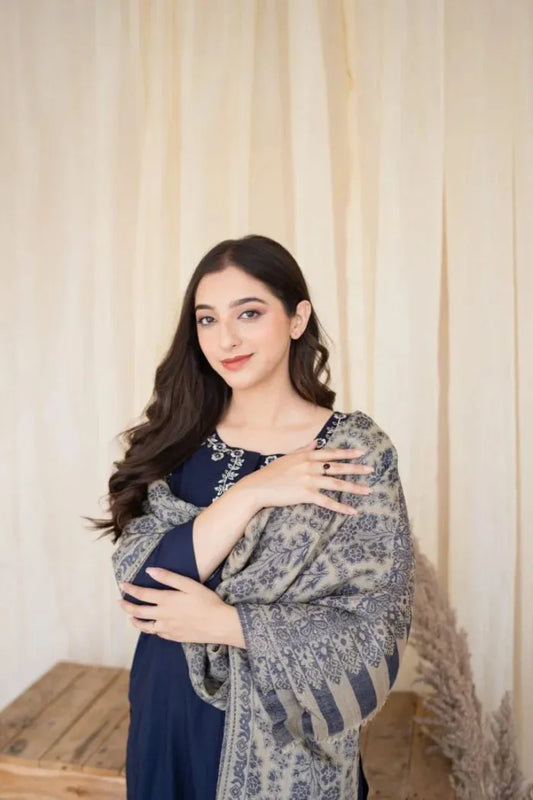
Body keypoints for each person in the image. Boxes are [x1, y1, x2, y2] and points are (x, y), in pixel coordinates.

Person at [88, 233, 405, 799]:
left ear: (297, 319)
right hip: (167, 712)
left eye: (249, 313)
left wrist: (225, 624)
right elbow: (142, 583)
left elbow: (374, 630)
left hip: (287, 739)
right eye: (207, 319)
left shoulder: (353, 452)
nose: (226, 338)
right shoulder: (176, 437)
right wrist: (253, 491)